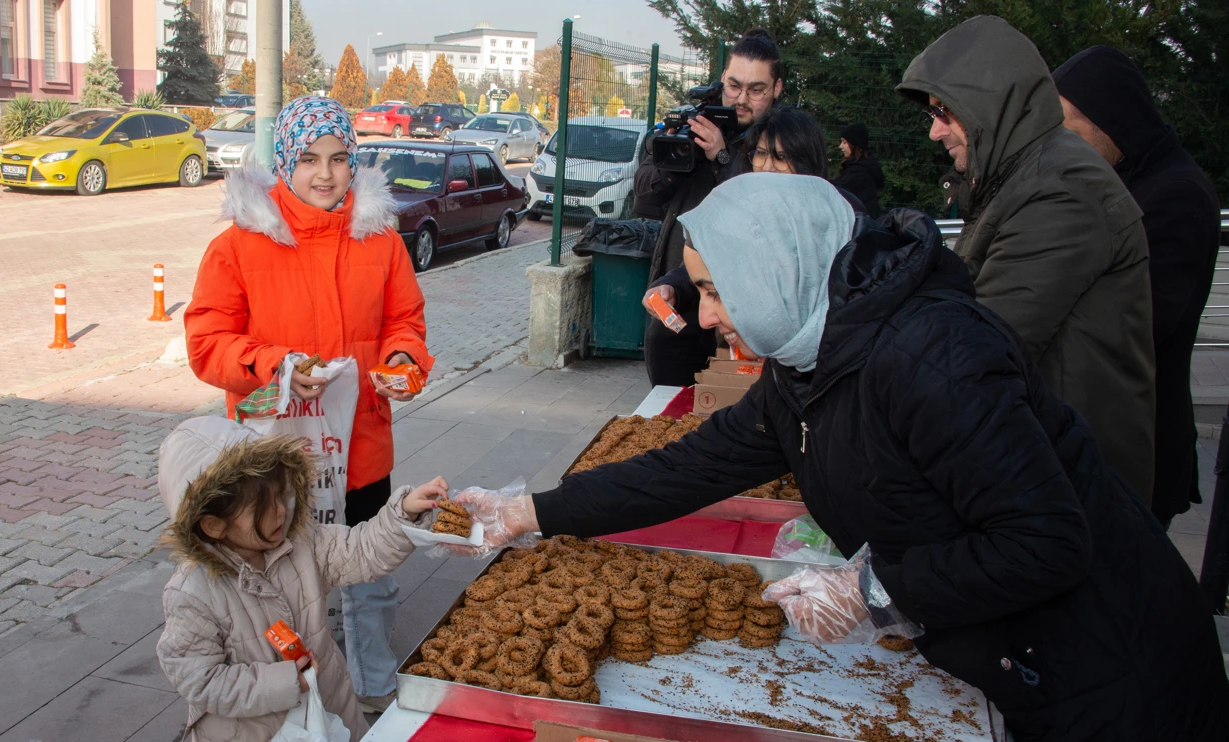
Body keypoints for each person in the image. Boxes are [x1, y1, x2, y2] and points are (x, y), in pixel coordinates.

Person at [463, 175, 1229, 740]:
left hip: (1114, 674)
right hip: (1024, 660)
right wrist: (532, 510)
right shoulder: (808, 363)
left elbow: (1047, 542)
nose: (702, 316)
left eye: (712, 290)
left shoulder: (931, 354)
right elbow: (688, 467)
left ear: (775, 271)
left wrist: (874, 587)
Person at [185, 96, 432, 712]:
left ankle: (375, 689)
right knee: (289, 580)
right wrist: (275, 368)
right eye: (310, 159)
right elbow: (207, 342)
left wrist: (401, 366)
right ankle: (300, 694)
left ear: (356, 163)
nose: (326, 174)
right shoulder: (240, 246)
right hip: (274, 457)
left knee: (371, 571)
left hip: (362, 450)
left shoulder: (380, 242)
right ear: (284, 164)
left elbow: (406, 323)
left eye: (340, 159)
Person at [895, 16, 1157, 501]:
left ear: (989, 106)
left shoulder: (1061, 188)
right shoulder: (1016, 179)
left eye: (943, 112)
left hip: (1073, 489)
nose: (934, 133)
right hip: (1044, 468)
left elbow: (981, 343)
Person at [154, 416, 447, 742]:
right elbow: (200, 678)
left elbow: (361, 549)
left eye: (281, 496)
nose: (280, 511)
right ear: (213, 525)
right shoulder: (193, 593)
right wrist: (283, 682)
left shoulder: (303, 544)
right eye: (262, 507)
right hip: (252, 731)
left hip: (330, 707)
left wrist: (403, 514)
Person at [1053, 46, 1222, 527]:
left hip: (1140, 440)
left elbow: (1144, 317)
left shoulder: (1176, 193)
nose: (1063, 139)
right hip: (1114, 434)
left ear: (1110, 120)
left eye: (1068, 124)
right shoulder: (1131, 178)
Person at [641, 106, 860, 369]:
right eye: (761, 154)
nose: (767, 167)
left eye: (781, 157)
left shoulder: (840, 214)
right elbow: (712, 261)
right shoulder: (743, 208)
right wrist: (672, 286)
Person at [635, 27, 783, 387]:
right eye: (734, 86)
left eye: (756, 89)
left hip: (741, 318)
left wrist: (721, 155)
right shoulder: (697, 119)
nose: (741, 99)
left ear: (777, 89)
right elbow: (644, 194)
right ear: (722, 79)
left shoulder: (781, 136)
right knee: (668, 410)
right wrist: (671, 159)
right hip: (679, 299)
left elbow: (758, 204)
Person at [831, 122, 884, 217]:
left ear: (854, 144)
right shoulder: (861, 165)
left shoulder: (859, 171)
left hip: (862, 223)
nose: (840, 146)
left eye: (844, 142)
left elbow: (836, 189)